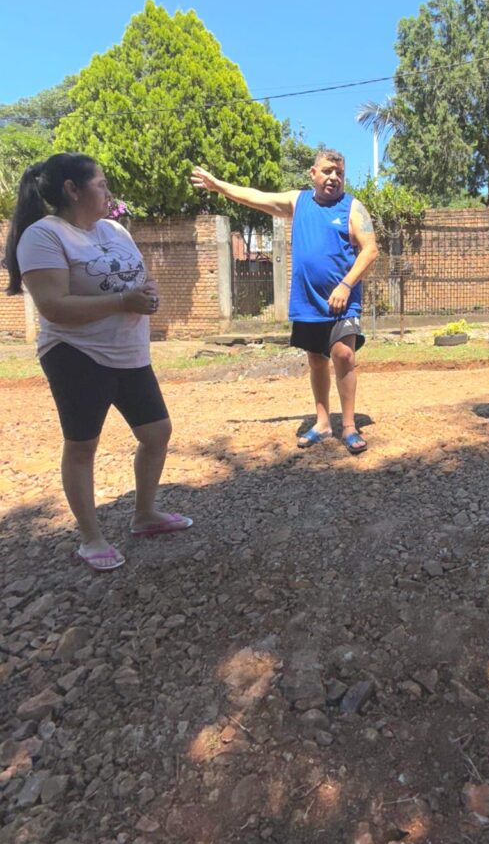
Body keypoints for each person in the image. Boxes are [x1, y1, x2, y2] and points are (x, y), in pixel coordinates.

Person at [5, 153, 192, 572]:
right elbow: (54, 306)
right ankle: (91, 538)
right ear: (73, 189)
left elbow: (138, 278)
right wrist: (124, 301)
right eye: (102, 184)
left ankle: (145, 515)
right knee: (83, 444)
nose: (108, 192)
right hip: (76, 354)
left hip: (129, 352)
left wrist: (149, 292)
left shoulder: (115, 230)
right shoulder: (43, 235)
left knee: (157, 432)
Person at [190, 149, 378, 453]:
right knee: (317, 360)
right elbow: (255, 196)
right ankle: (322, 422)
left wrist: (345, 285)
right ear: (313, 174)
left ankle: (348, 426)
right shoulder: (298, 202)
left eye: (339, 173)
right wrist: (219, 186)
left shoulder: (353, 207)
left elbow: (370, 250)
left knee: (343, 355)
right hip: (307, 300)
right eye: (328, 171)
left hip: (343, 300)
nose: (334, 178)